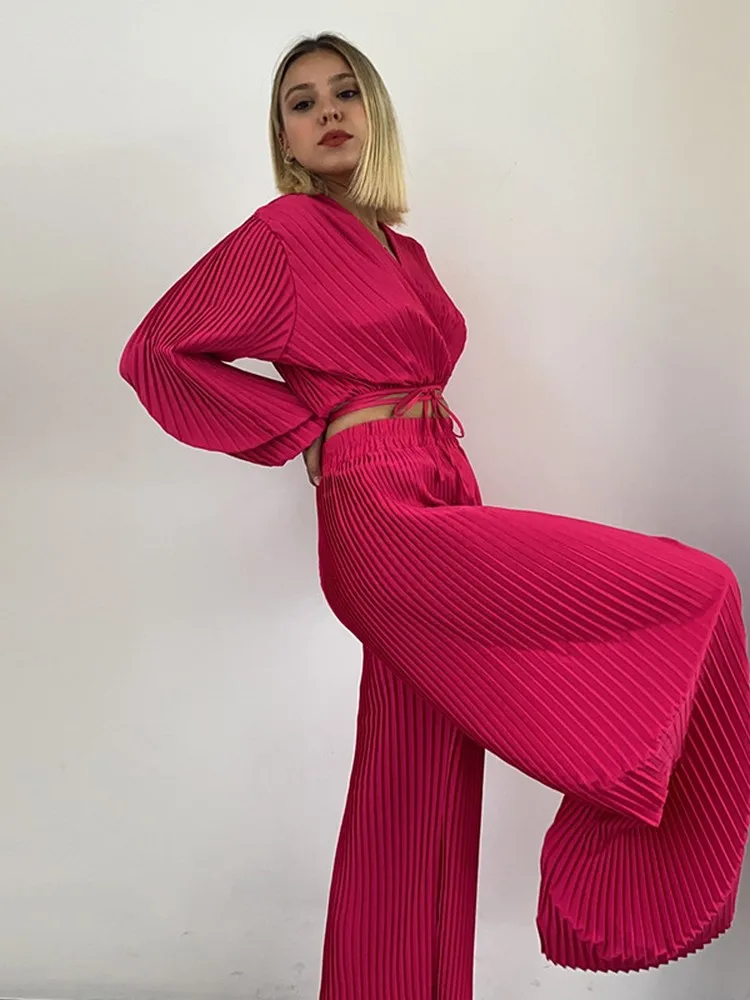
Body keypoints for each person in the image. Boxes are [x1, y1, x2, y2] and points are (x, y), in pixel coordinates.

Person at [119, 31, 750, 1000]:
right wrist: (299, 430)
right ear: (284, 138)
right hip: (381, 513)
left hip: (443, 482)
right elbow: (158, 351)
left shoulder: (402, 251)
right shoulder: (283, 232)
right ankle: (626, 846)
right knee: (695, 586)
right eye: (301, 102)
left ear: (374, 112)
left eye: (344, 92)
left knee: (414, 782)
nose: (327, 112)